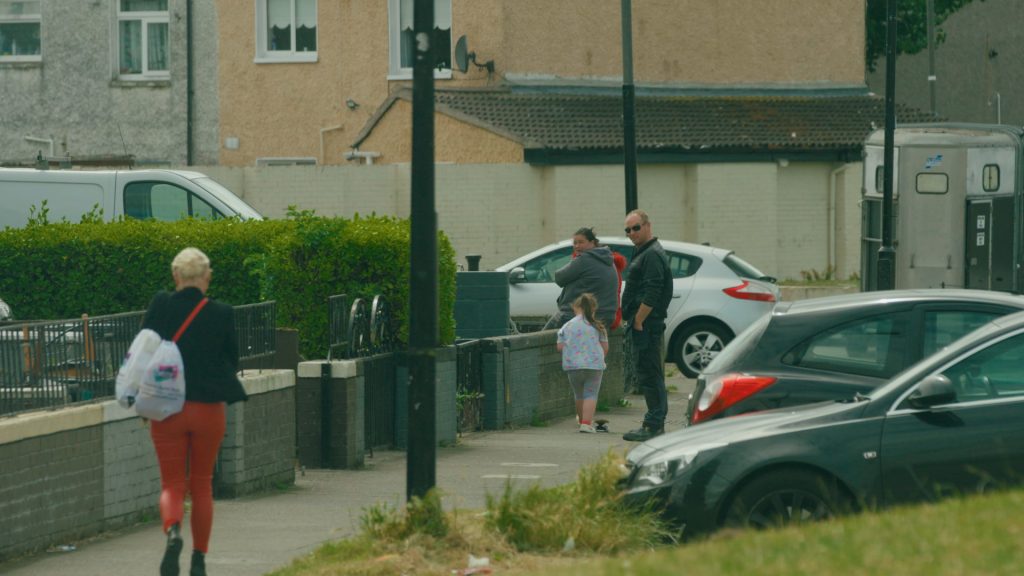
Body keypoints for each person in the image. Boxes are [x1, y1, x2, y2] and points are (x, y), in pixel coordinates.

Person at [143, 247, 248, 576]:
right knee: (202, 484)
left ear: (176, 276)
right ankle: (199, 560)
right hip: (208, 409)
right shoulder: (223, 313)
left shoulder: (160, 306)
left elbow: (143, 347)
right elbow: (232, 360)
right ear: (207, 278)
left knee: (172, 484)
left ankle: (173, 531)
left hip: (166, 409)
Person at [620, 210, 673, 442]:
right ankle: (654, 422)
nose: (632, 233)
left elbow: (653, 290)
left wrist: (639, 319)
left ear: (647, 226)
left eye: (636, 228)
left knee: (650, 374)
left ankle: (653, 425)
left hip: (647, 324)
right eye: (628, 230)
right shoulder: (644, 251)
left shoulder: (651, 254)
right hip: (644, 323)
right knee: (649, 373)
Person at [543, 227, 619, 330]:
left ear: (592, 242)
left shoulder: (584, 259)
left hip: (582, 315)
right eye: (575, 243)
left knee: (542, 340)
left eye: (581, 242)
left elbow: (559, 278)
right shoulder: (608, 259)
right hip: (607, 317)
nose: (577, 246)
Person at [556, 293, 609, 433]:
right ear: (593, 309)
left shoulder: (567, 326)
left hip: (573, 365)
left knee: (579, 394)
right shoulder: (598, 326)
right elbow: (605, 348)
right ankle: (586, 423)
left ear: (576, 308)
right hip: (594, 366)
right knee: (590, 394)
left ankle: (581, 421)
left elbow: (559, 347)